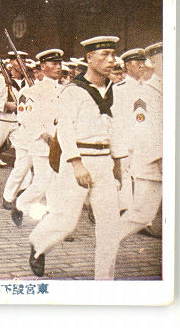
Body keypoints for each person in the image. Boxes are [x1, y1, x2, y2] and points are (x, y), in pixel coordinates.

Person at [28, 36, 126, 280]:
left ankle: (104, 281)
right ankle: (38, 244)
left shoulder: (113, 90)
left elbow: (115, 129)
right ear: (89, 58)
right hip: (78, 161)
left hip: (104, 161)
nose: (111, 60)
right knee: (66, 221)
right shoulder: (73, 91)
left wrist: (117, 163)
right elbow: (65, 130)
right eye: (104, 54)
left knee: (110, 226)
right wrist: (77, 163)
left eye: (113, 54)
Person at [11, 49, 63, 226]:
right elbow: (25, 117)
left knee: (56, 183)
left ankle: (56, 221)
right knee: (42, 183)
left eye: (59, 64)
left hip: (60, 141)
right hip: (42, 143)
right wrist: (44, 135)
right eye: (53, 64)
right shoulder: (32, 91)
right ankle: (20, 204)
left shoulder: (64, 90)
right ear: (43, 67)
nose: (58, 67)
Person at [117, 42, 162, 242]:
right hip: (142, 153)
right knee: (139, 210)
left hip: (149, 151)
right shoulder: (139, 92)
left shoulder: (156, 87)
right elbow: (140, 126)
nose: (142, 66)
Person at [0, 51, 29, 199]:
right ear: (11, 63)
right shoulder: (1, 80)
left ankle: (23, 186)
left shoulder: (27, 81)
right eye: (18, 61)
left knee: (23, 152)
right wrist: (6, 105)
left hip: (18, 122)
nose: (21, 64)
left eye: (24, 61)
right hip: (2, 120)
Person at [112, 48, 147, 212]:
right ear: (127, 65)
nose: (142, 66)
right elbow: (115, 117)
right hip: (125, 140)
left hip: (143, 139)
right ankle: (125, 210)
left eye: (143, 62)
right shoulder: (119, 89)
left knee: (143, 177)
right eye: (137, 62)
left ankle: (140, 214)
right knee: (125, 177)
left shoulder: (147, 87)